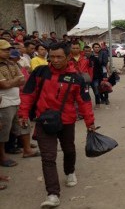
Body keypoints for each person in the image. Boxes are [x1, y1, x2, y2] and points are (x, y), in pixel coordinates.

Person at [18, 42, 96, 208]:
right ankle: (52, 194)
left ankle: (70, 172)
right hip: (44, 121)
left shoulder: (76, 78)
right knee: (48, 157)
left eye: (59, 56)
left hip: (66, 121)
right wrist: (23, 113)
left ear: (68, 57)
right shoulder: (40, 72)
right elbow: (28, 93)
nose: (55, 60)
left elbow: (84, 102)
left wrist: (90, 122)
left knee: (69, 150)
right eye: (52, 56)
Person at [0, 40, 26, 168]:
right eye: (4, 50)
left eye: (8, 49)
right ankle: (2, 156)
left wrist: (12, 81)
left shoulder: (11, 63)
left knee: (14, 127)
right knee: (3, 130)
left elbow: (23, 80)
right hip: (3, 102)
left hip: (15, 99)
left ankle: (13, 148)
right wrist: (15, 80)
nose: (7, 51)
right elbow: (3, 85)